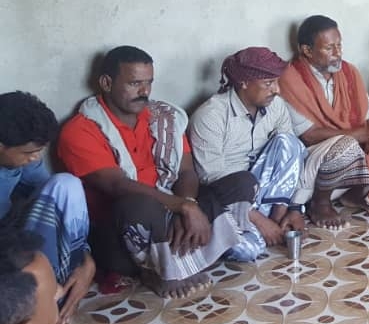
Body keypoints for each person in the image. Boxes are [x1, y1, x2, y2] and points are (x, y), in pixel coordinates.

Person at [57, 46, 256, 298]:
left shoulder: (164, 118)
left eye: (149, 83)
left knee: (242, 182)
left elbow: (186, 171)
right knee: (138, 204)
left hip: (169, 208)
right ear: (106, 83)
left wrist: (187, 203)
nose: (144, 92)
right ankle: (162, 269)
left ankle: (184, 255)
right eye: (134, 83)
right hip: (122, 233)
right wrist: (181, 207)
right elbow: (117, 186)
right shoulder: (81, 130)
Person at [277, 16, 369, 227]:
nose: (338, 53)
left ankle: (356, 192)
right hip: (315, 163)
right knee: (346, 145)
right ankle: (320, 204)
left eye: (339, 45)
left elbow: (368, 118)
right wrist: (362, 134)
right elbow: (308, 136)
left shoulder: (349, 72)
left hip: (356, 153)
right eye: (329, 48)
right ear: (307, 50)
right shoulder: (290, 80)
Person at [188, 47, 308, 260]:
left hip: (264, 192)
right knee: (248, 250)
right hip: (230, 198)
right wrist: (260, 221)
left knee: (289, 143)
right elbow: (212, 180)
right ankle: (255, 228)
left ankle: (278, 220)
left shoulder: (276, 106)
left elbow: (290, 158)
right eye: (268, 83)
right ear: (243, 82)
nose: (277, 90)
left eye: (276, 81)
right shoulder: (210, 116)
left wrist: (290, 210)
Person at [0, 92, 93, 324]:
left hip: (15, 238)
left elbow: (53, 199)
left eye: (39, 151)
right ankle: (41, 300)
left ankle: (61, 290)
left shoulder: (19, 160)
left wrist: (85, 259)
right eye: (29, 153)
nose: (36, 158)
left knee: (66, 184)